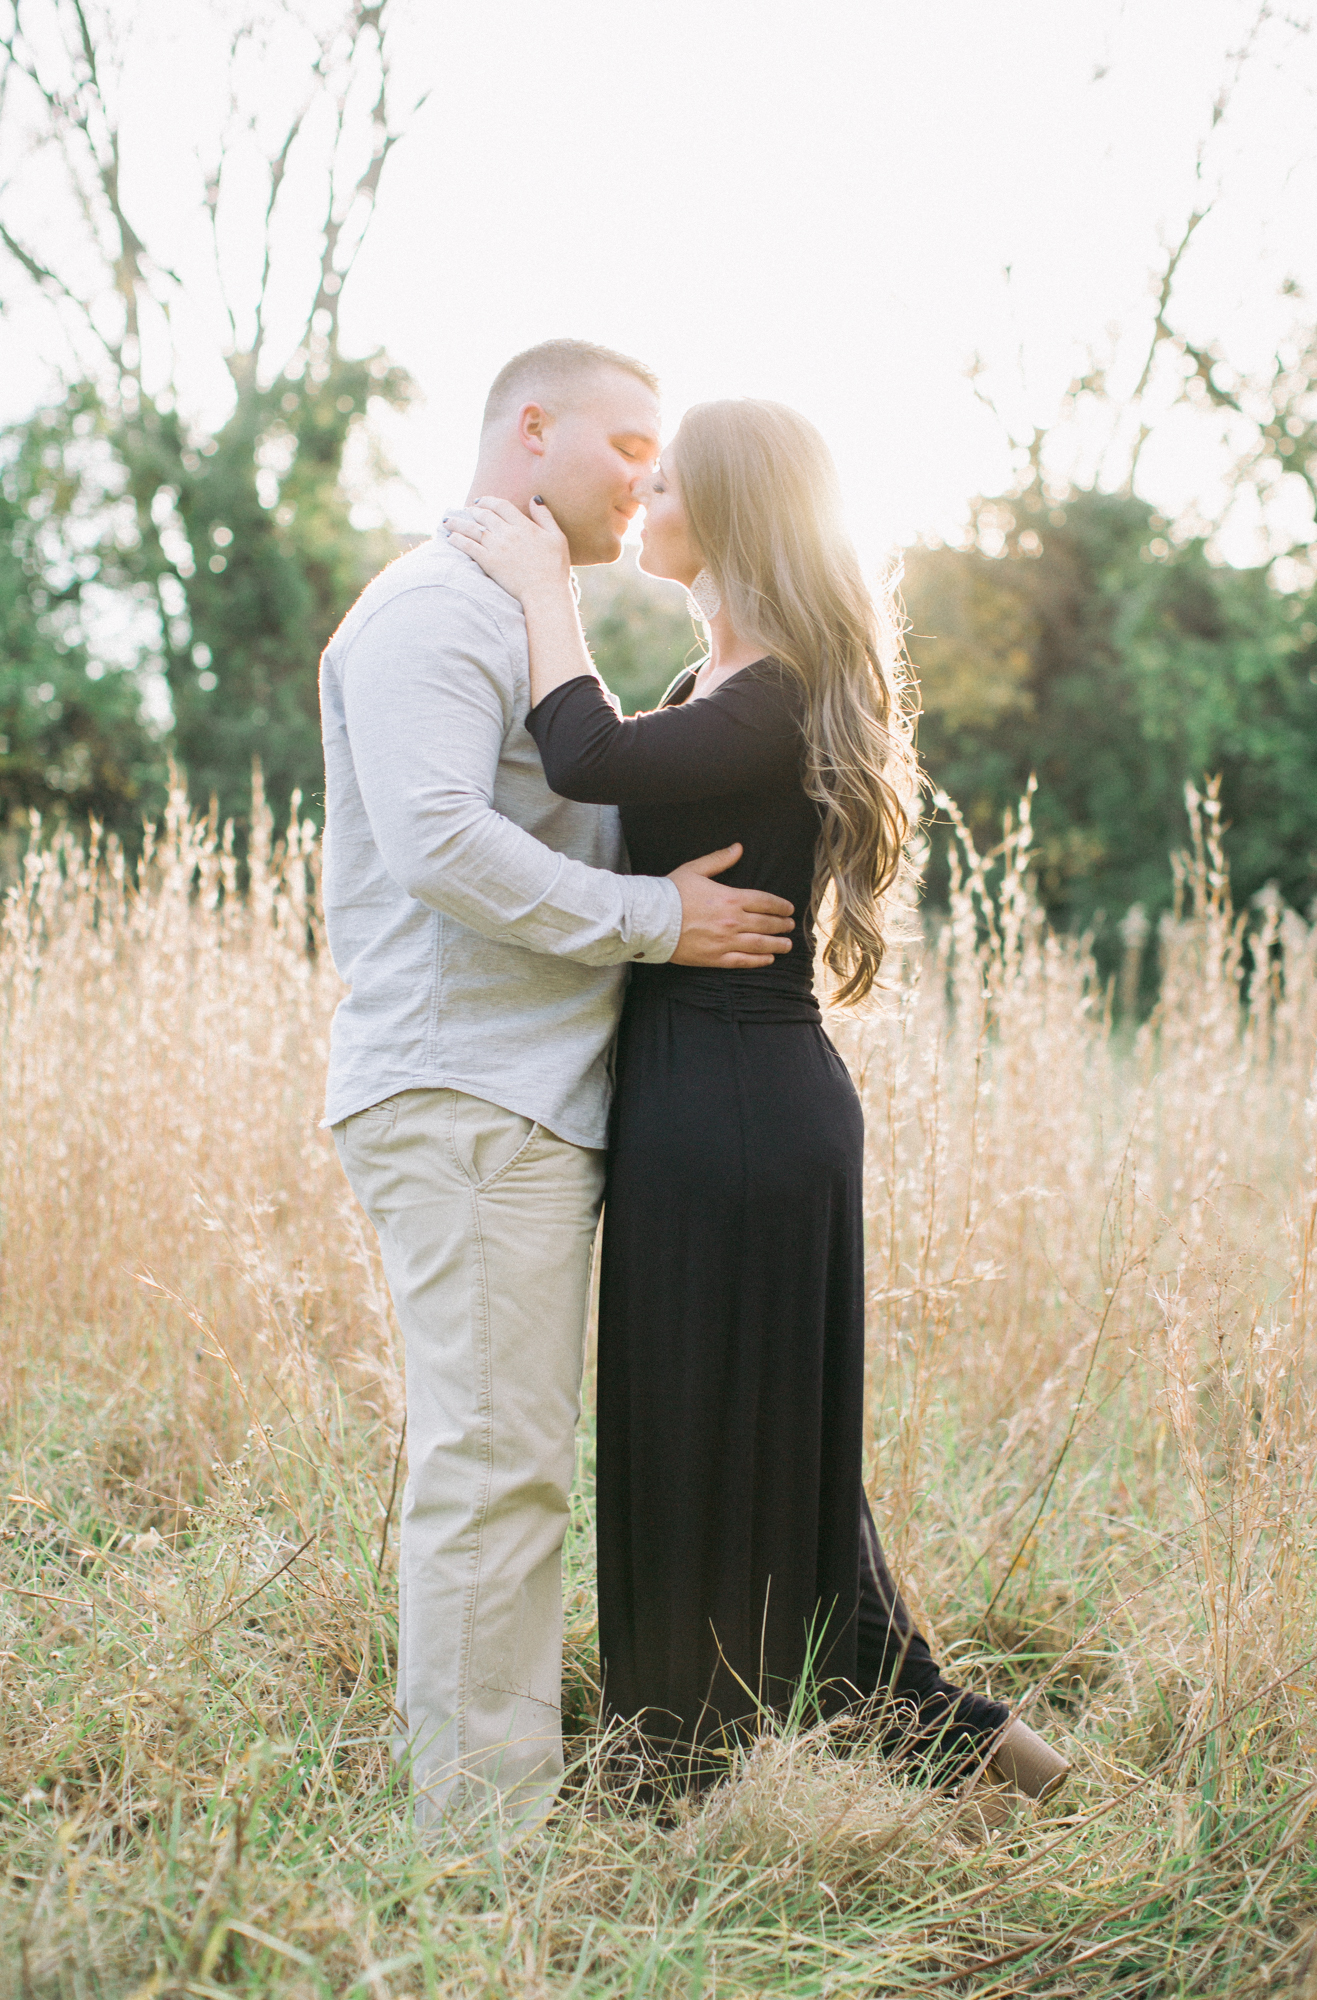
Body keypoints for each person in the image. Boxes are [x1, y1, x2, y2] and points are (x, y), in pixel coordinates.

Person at [445, 400, 1070, 1809]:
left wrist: (545, 591)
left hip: (734, 1115)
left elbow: (584, 759)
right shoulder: (717, 681)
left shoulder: (767, 692)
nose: (639, 498)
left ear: (724, 516)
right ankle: (964, 1768)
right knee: (766, 1469)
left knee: (726, 1451)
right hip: (722, 1105)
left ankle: (697, 1770)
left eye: (662, 482)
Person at [320, 342, 799, 1835]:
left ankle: (496, 1807)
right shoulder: (430, 610)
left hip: (523, 1099)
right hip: (466, 1092)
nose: (647, 478)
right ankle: (478, 1850)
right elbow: (440, 846)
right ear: (530, 430)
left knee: (515, 1463)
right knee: (494, 1470)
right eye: (625, 443)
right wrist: (661, 921)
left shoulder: (525, 616)